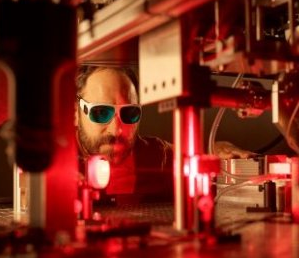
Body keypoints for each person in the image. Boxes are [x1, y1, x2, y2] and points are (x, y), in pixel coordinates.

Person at [75, 64, 253, 204]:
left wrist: (217, 150)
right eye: (101, 113)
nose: (116, 129)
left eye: (129, 114)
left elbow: (191, 156)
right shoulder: (56, 167)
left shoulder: (154, 158)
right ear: (75, 113)